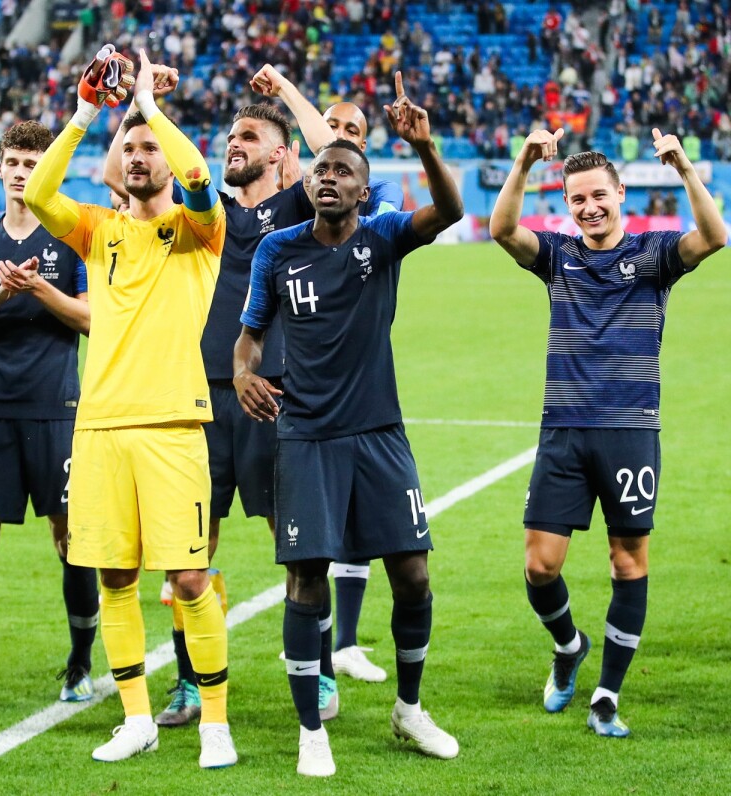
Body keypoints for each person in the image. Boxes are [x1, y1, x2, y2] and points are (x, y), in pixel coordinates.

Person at [234, 73, 464, 776]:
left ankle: (410, 708)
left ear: (364, 190)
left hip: (378, 434)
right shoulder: (279, 251)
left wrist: (424, 149)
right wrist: (244, 370)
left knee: (415, 575)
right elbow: (248, 337)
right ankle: (311, 731)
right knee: (307, 579)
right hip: (305, 436)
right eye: (321, 168)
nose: (328, 176)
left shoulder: (387, 236)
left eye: (344, 171)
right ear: (307, 181)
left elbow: (450, 211)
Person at [25, 46, 236, 769]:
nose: (142, 156)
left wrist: (150, 109)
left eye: (151, 148)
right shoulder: (97, 229)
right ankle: (137, 717)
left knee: (188, 580)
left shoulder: (199, 232)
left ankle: (214, 722)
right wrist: (88, 112)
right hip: (101, 425)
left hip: (176, 426)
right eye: (132, 148)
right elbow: (41, 196)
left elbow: (204, 181)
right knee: (113, 576)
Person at [489, 128, 725, 737]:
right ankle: (568, 646)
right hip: (563, 430)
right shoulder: (559, 258)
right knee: (540, 565)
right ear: (566, 204)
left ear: (620, 193)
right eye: (576, 199)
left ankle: (607, 696)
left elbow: (716, 237)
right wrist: (522, 161)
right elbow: (502, 230)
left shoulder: (655, 254)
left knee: (628, 562)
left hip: (629, 431)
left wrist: (683, 166)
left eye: (599, 195)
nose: (589, 207)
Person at [251, 63, 404, 687]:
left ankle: (341, 646)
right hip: (289, 383)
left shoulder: (377, 198)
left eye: (349, 132)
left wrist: (287, 88)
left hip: (352, 388)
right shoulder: (298, 205)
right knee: (305, 545)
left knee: (356, 530)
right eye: (331, 126)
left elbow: (329, 155)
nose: (334, 137)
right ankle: (320, 658)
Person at [0, 120, 97, 710]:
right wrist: (0, 296)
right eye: (13, 162)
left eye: (34, 163)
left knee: (71, 537)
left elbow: (91, 319)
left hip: (57, 408)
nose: (22, 172)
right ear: (0, 168)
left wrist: (38, 292)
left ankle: (80, 667)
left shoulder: (70, 238)